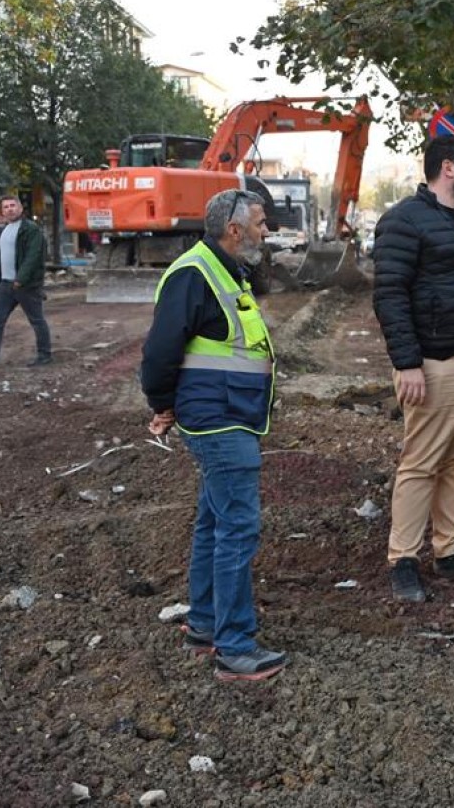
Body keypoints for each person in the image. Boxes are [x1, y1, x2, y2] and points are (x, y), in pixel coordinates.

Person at [141, 188, 286, 682]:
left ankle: (205, 625)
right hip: (220, 421)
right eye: (261, 223)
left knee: (214, 523)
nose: (267, 231)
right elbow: (160, 352)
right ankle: (235, 647)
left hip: (230, 416)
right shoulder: (194, 274)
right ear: (234, 230)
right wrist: (162, 404)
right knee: (237, 530)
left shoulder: (223, 270)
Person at [373, 135, 454, 603]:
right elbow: (389, 294)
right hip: (433, 365)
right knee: (421, 463)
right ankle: (403, 560)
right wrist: (407, 362)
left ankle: (449, 549)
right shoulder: (404, 221)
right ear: (448, 169)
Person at [0, 196, 51, 367]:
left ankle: (45, 355)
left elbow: (33, 256)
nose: (10, 209)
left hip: (25, 285)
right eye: (6, 207)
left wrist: (21, 279)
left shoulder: (30, 229)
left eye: (13, 205)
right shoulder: (5, 230)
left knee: (36, 320)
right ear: (2, 211)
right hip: (6, 284)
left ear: (21, 208)